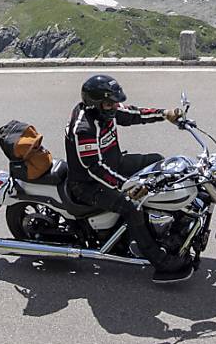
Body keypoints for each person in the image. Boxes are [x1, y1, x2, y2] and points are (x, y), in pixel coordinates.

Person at [64, 74, 191, 283]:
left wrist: (164, 114)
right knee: (132, 207)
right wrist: (126, 186)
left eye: (115, 102)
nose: (114, 107)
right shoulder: (84, 128)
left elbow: (132, 114)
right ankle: (161, 261)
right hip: (87, 185)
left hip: (114, 164)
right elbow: (94, 168)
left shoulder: (107, 111)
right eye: (109, 103)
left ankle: (171, 222)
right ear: (95, 104)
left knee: (158, 163)